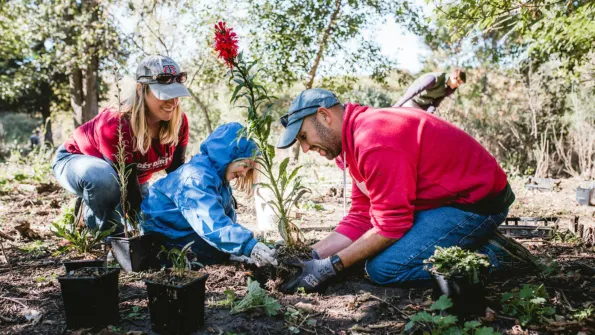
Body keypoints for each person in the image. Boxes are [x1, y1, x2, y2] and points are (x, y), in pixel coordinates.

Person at [276, 88, 537, 293]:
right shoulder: (353, 145)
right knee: (372, 255)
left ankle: (493, 257)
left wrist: (332, 267)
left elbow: (390, 227)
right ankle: (466, 241)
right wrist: (312, 256)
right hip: (442, 201)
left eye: (303, 137)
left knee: (384, 269)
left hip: (476, 204)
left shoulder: (372, 141)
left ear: (324, 116)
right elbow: (361, 216)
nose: (307, 148)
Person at [52, 55, 190, 233]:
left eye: (176, 93)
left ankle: (96, 208)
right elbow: (128, 188)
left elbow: (177, 173)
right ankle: (101, 234)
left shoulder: (179, 121)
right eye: (165, 95)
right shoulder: (117, 122)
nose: (173, 102)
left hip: (130, 180)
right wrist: (140, 232)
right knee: (104, 181)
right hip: (76, 163)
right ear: (141, 89)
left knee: (160, 218)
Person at [140, 122, 278, 267]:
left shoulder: (218, 178)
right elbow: (212, 225)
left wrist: (237, 250)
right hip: (162, 238)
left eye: (249, 169)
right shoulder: (197, 178)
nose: (244, 174)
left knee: (215, 253)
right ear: (228, 156)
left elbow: (226, 219)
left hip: (181, 233)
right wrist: (249, 246)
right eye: (244, 165)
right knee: (206, 253)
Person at [393, 68, 466, 113]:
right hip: (412, 102)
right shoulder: (433, 79)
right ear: (453, 77)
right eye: (458, 82)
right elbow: (413, 92)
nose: (458, 85)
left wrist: (428, 115)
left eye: (460, 84)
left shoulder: (450, 89)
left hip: (423, 108)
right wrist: (397, 105)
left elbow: (435, 104)